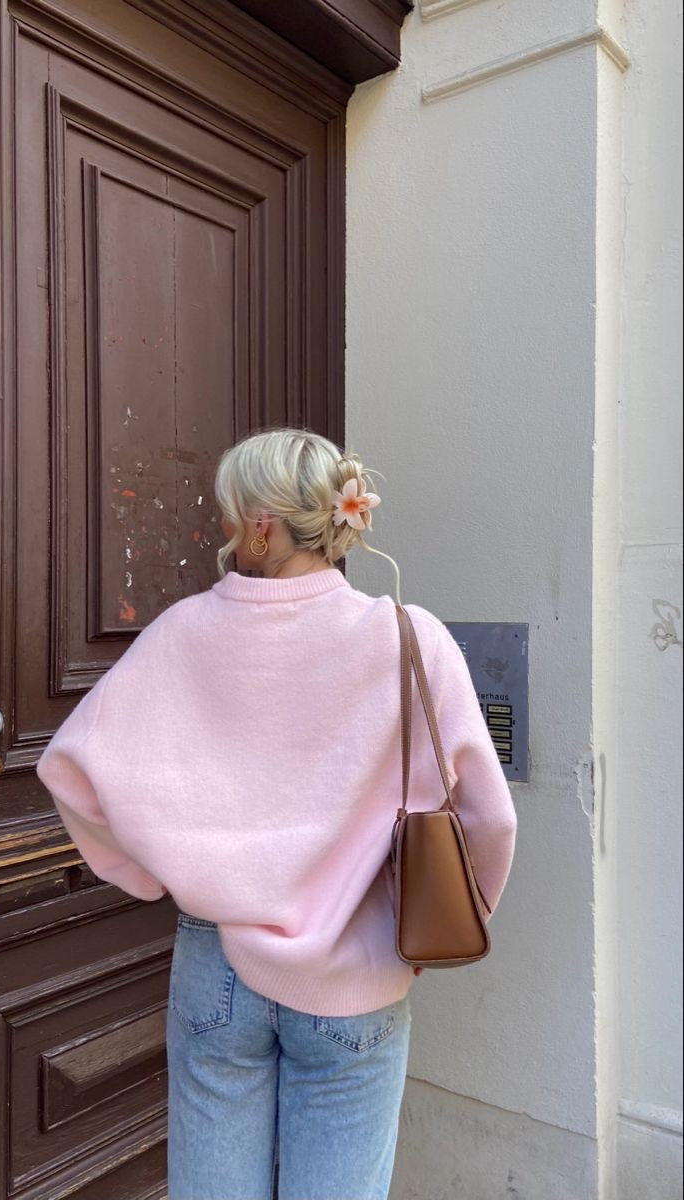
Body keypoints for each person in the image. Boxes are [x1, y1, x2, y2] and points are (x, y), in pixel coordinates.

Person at [36, 427, 518, 1200]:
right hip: (359, 960)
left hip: (215, 959)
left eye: (228, 514)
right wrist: (439, 925)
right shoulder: (406, 636)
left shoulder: (185, 632)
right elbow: (488, 819)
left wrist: (154, 874)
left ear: (260, 525)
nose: (223, 532)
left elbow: (70, 772)